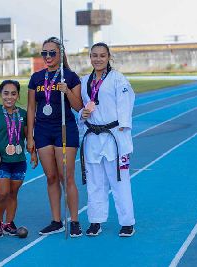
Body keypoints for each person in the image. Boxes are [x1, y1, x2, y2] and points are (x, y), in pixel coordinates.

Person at [26, 37, 84, 237]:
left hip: (64, 129)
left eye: (52, 53)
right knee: (50, 177)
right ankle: (56, 221)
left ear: (60, 55)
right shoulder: (36, 78)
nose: (48, 57)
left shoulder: (70, 76)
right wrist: (30, 137)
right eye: (44, 53)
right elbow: (31, 108)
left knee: (66, 176)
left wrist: (66, 90)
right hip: (42, 131)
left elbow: (79, 107)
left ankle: (74, 221)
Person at [79, 42, 136, 237]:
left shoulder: (118, 79)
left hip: (114, 137)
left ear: (108, 57)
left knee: (119, 181)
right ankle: (95, 221)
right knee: (95, 182)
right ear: (90, 57)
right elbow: (83, 106)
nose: (98, 59)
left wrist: (123, 131)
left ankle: (127, 222)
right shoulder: (85, 80)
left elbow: (126, 105)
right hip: (93, 137)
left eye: (102, 55)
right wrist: (82, 113)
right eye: (94, 55)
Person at [0, 80, 38, 238]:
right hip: (0, 161)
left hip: (19, 161)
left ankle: (9, 223)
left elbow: (29, 137)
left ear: (18, 95)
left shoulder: (22, 114)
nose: (9, 97)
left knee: (13, 193)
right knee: (3, 193)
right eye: (6, 93)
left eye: (13, 94)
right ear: (0, 94)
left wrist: (33, 153)